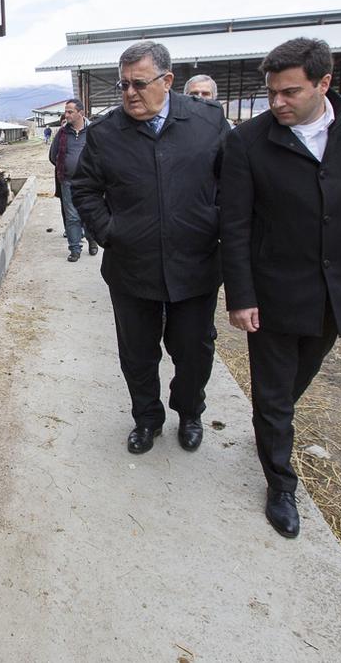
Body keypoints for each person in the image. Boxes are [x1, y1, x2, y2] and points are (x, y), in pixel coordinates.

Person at [221, 37, 341, 539]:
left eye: (290, 92)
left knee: (298, 378)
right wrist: (241, 295)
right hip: (276, 289)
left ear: (325, 83)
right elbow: (234, 224)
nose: (277, 102)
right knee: (274, 391)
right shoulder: (248, 142)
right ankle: (281, 483)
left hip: (338, 290)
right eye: (272, 93)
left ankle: (269, 424)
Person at [70, 41, 228, 454]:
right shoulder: (106, 134)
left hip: (194, 265)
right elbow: (83, 187)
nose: (129, 94)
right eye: (123, 85)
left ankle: (190, 412)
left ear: (167, 80)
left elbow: (233, 181)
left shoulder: (206, 123)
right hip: (132, 267)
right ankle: (147, 419)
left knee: (194, 352)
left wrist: (213, 222)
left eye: (138, 84)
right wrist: (109, 231)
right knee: (138, 355)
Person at [48, 99, 97, 261]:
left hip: (90, 182)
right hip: (68, 181)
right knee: (72, 216)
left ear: (81, 113)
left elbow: (103, 154)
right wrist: (66, 167)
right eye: (66, 111)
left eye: (70, 112)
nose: (66, 115)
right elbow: (52, 155)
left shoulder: (94, 131)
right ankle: (75, 249)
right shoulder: (62, 133)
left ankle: (92, 240)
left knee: (89, 213)